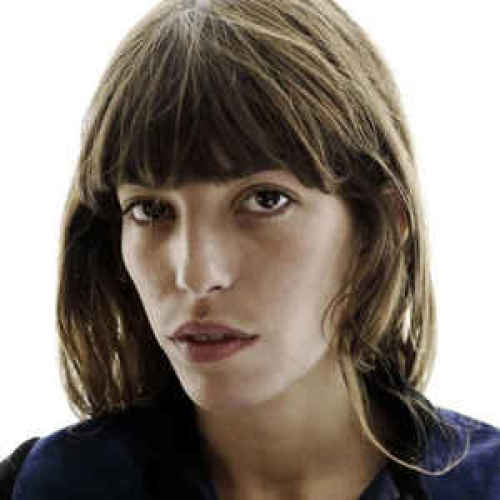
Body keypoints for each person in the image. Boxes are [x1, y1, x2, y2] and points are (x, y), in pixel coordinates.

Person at [4, 0, 499, 498]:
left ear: (380, 226)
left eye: (265, 200)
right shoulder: (45, 486)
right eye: (151, 210)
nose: (197, 274)